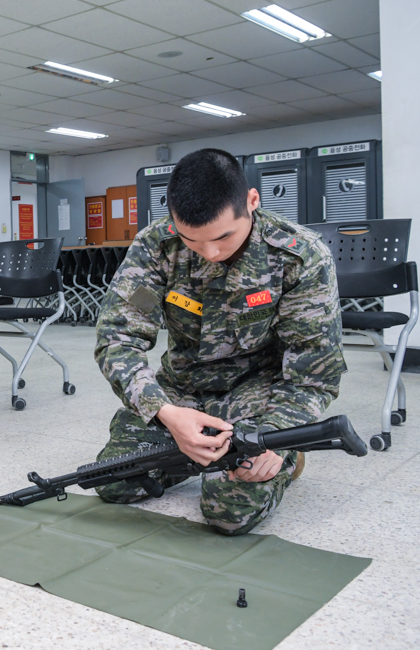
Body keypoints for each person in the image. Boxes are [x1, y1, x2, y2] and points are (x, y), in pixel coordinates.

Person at [93, 149, 345, 536]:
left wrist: (276, 437)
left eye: (224, 236)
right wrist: (165, 413)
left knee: (228, 513)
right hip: (182, 391)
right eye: (192, 239)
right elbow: (117, 341)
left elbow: (311, 372)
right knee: (113, 481)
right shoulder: (155, 247)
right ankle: (196, 452)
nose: (210, 253)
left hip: (257, 396)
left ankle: (287, 459)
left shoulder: (301, 257)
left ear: (252, 202)